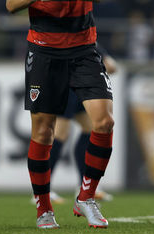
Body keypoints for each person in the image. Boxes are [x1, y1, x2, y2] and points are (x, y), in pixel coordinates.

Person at [6, 0, 114, 229]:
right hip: (44, 50)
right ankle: (44, 208)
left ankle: (86, 196)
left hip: (83, 47)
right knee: (43, 133)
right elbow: (11, 3)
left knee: (104, 122)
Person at [45, 52, 117, 205]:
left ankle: (84, 187)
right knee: (60, 133)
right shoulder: (81, 39)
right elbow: (110, 65)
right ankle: (43, 189)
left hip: (78, 82)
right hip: (65, 81)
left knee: (89, 129)